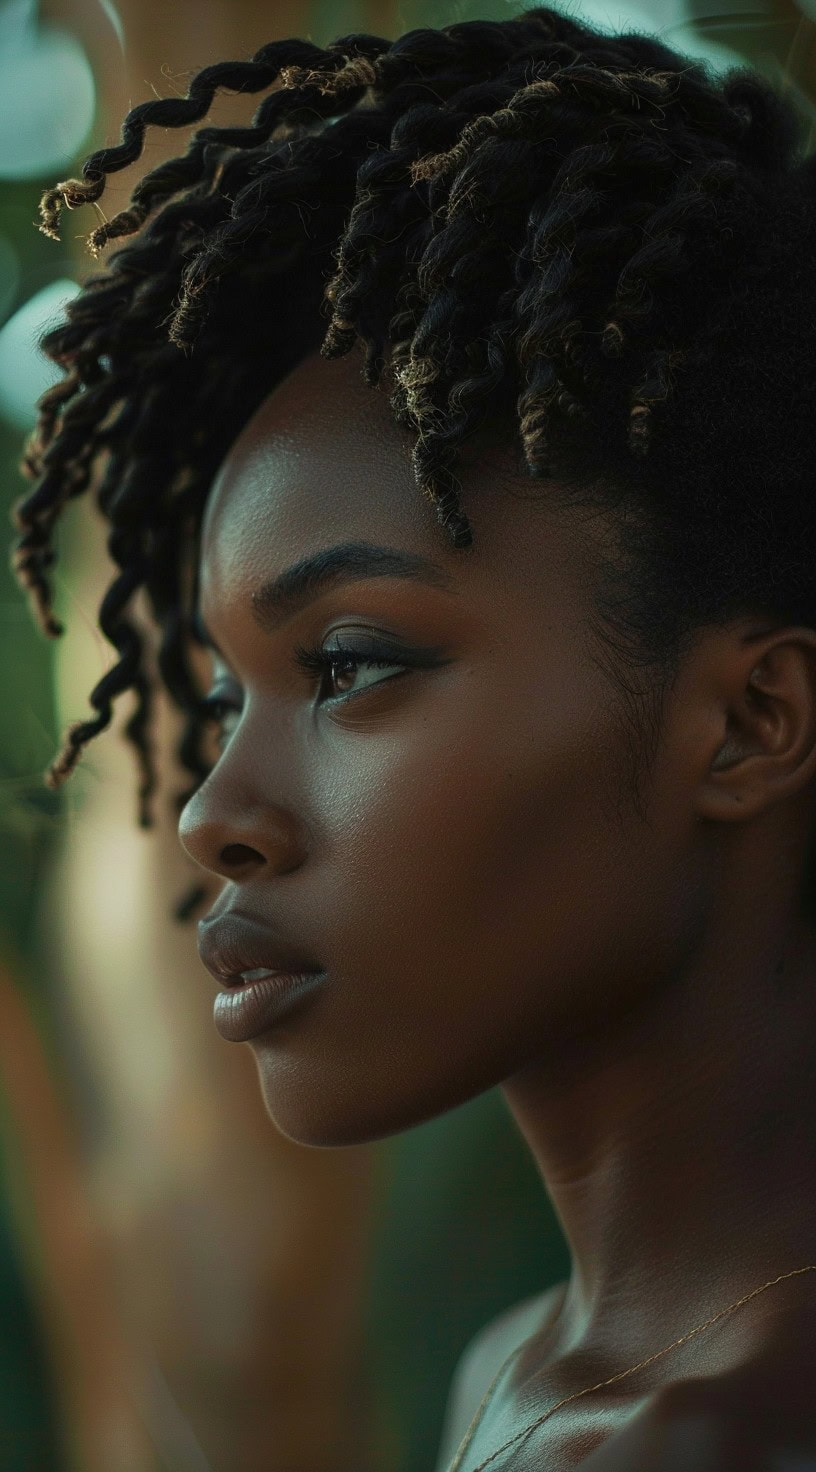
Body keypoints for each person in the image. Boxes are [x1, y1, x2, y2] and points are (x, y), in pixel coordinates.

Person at [10, 6, 816, 1466]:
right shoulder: (522, 1375)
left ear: (751, 724)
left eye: (352, 664)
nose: (214, 815)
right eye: (219, 690)